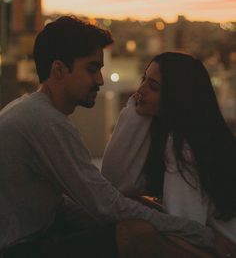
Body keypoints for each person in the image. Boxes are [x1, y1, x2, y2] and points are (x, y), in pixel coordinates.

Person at [0, 20, 215, 258]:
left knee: (135, 210)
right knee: (135, 233)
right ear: (59, 70)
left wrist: (147, 209)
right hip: (19, 248)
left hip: (35, 237)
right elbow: (105, 205)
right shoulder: (45, 121)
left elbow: (66, 205)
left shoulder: (31, 110)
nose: (100, 80)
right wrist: (200, 234)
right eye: (92, 69)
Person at [102, 51, 236, 257]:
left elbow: (186, 225)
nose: (140, 91)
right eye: (144, 80)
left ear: (176, 96)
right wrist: (134, 113)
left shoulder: (184, 144)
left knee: (131, 229)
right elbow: (118, 181)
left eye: (153, 87)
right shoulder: (194, 134)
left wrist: (133, 114)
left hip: (224, 247)